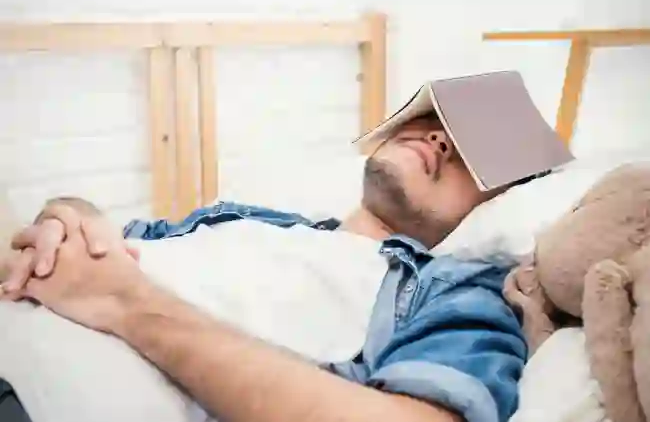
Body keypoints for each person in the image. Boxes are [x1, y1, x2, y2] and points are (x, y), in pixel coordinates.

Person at [0, 112, 527, 422]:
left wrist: (128, 304)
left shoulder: (453, 292)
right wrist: (69, 217)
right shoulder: (248, 218)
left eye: (474, 153)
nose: (438, 138)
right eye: (433, 119)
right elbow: (115, 238)